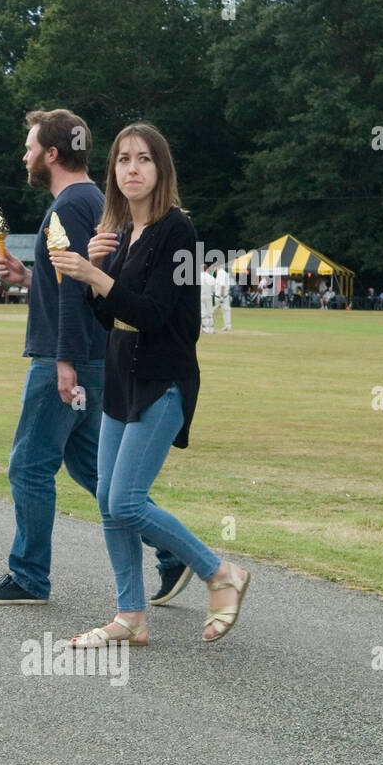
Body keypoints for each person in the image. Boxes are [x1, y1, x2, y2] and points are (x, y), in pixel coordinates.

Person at [0, 109, 186, 608]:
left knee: (28, 466)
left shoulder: (69, 204)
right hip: (91, 353)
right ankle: (174, 553)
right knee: (93, 470)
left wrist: (63, 361)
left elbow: (76, 288)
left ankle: (28, 578)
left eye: (29, 147)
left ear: (50, 154)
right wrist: (29, 277)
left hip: (65, 357)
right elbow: (79, 278)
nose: (24, 155)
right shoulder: (91, 199)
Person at [48, 122, 250, 646]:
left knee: (127, 501)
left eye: (143, 159)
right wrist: (96, 268)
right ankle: (130, 617)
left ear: (160, 168)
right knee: (105, 498)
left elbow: (157, 315)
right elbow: (109, 318)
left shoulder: (176, 231)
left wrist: (96, 277)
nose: (131, 169)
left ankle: (219, 573)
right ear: (112, 171)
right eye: (122, 160)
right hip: (121, 376)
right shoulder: (122, 233)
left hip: (162, 379)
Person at [198, 261, 216, 334]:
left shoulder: (198, 277)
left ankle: (205, 329)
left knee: (203, 312)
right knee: (210, 312)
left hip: (201, 296)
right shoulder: (211, 277)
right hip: (209, 296)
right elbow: (214, 289)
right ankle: (211, 329)